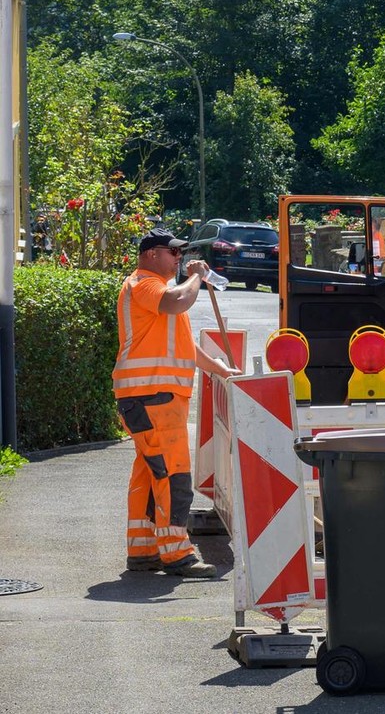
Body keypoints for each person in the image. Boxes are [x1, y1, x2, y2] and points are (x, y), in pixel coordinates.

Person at [114, 229, 241, 577]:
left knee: (150, 472)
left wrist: (219, 369)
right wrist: (196, 277)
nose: (179, 258)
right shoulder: (145, 285)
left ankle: (143, 550)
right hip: (153, 397)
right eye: (174, 253)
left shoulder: (157, 292)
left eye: (182, 254)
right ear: (152, 253)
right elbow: (180, 301)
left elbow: (184, 344)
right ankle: (177, 554)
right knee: (173, 475)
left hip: (148, 397)